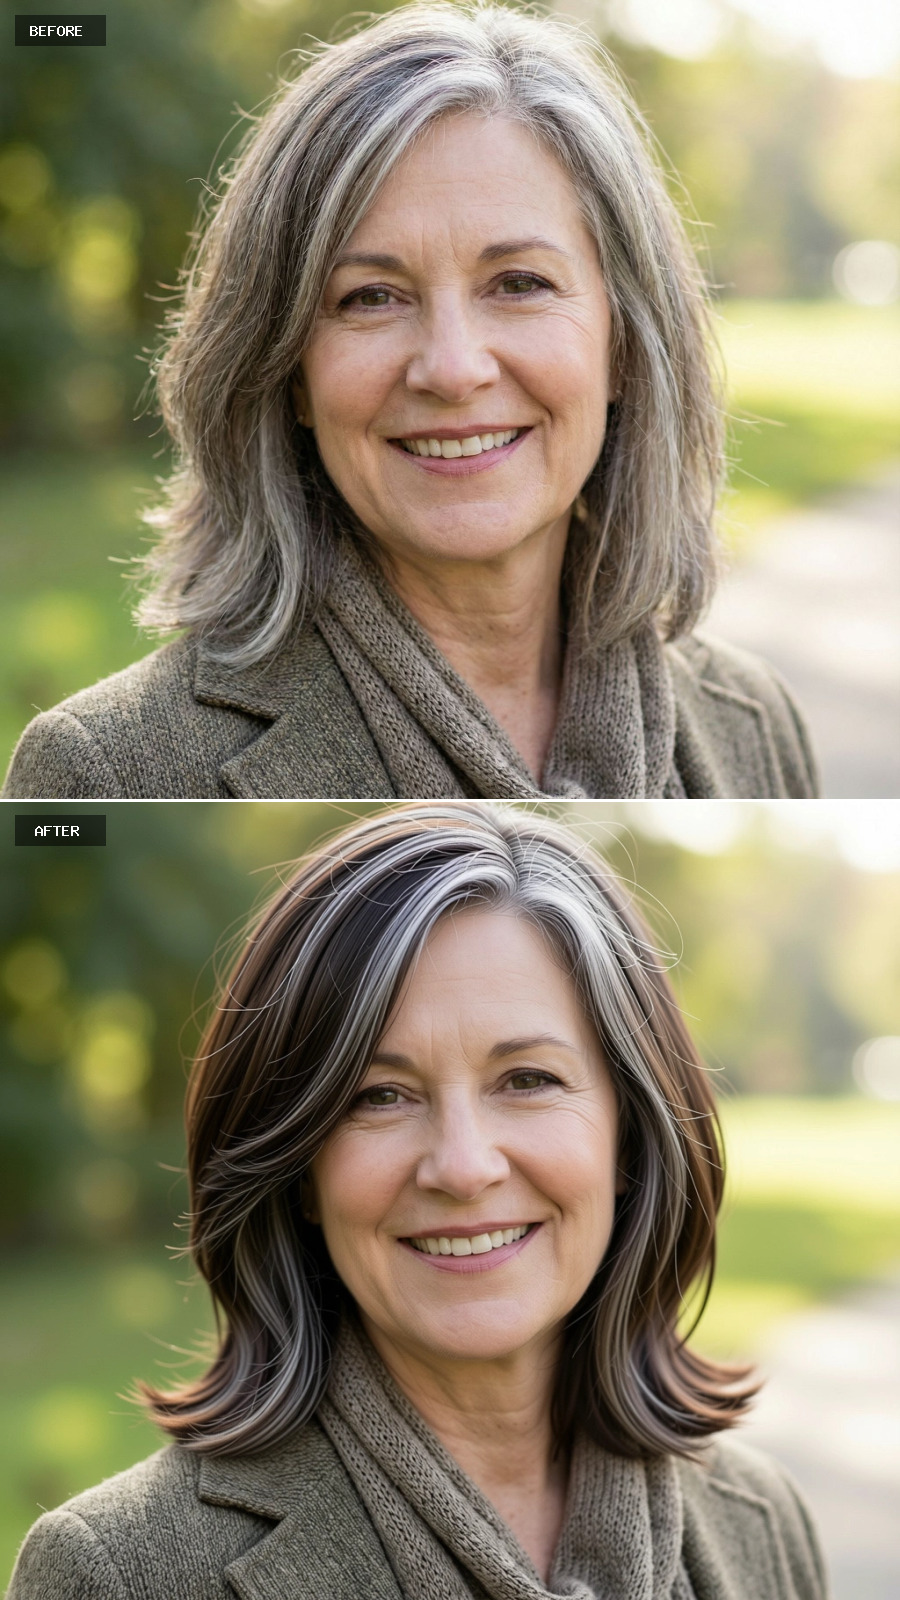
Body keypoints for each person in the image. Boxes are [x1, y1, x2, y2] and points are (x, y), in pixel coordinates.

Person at [8, 804, 829, 1599]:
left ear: (629, 1139)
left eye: (528, 1080)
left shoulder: (760, 1522)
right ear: (300, 1173)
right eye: (380, 1095)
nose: (464, 1167)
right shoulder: (117, 1574)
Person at [3, 4, 818, 802]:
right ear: (288, 372)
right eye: (371, 298)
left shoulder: (754, 722)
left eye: (520, 283)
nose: (453, 368)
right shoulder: (106, 771)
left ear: (626, 346)